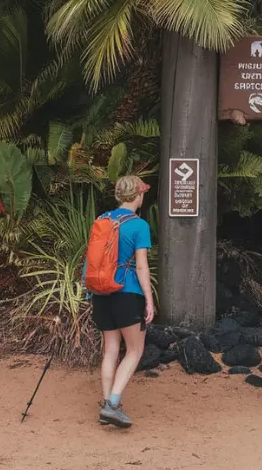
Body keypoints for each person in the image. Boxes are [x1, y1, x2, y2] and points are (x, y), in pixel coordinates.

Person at [90, 175, 155, 428]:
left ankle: (106, 403)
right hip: (128, 294)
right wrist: (149, 300)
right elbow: (141, 267)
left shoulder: (102, 220)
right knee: (135, 350)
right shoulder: (139, 225)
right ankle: (113, 404)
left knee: (111, 349)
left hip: (101, 293)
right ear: (138, 195)